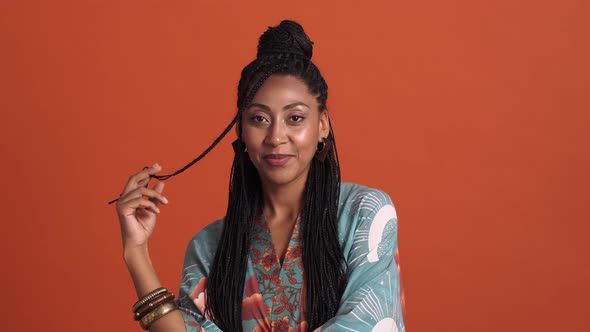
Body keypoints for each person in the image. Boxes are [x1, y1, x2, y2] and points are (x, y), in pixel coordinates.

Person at [115, 20, 406, 331]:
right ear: (241, 129)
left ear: (322, 125)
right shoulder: (210, 247)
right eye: (259, 118)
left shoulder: (365, 214)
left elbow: (368, 324)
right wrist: (136, 251)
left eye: (295, 118)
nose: (276, 136)